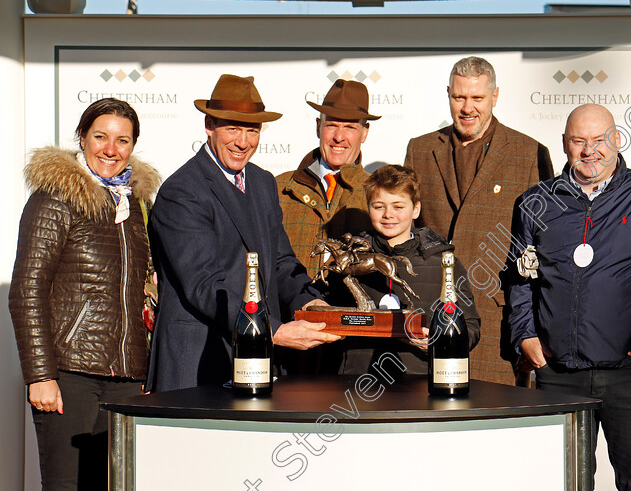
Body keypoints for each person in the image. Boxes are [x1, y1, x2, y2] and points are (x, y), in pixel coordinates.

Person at [507, 103, 631, 491]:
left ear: (618, 140)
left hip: (629, 372)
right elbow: (520, 277)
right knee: (565, 480)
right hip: (558, 373)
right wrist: (524, 334)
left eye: (600, 139)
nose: (591, 151)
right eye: (579, 141)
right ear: (564, 146)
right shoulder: (535, 203)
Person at [146, 74, 339, 393]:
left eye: (252, 130)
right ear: (209, 125)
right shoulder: (181, 191)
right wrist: (274, 331)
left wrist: (311, 303)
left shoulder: (263, 183)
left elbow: (281, 263)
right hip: (196, 366)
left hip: (254, 361)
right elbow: (205, 286)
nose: (243, 141)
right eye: (232, 128)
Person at [9, 98, 161, 490]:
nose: (111, 149)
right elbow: (27, 291)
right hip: (70, 373)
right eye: (100, 137)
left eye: (123, 140)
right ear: (82, 137)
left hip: (128, 377)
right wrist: (40, 375)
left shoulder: (137, 204)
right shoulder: (55, 199)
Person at [404, 56, 553, 385]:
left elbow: (543, 250)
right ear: (448, 95)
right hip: (426, 324)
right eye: (459, 97)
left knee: (491, 429)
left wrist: (532, 332)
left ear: (495, 97)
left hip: (496, 326)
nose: (467, 107)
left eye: (477, 98)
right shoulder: (420, 149)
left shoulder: (529, 154)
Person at [338, 164, 481, 376]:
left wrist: (437, 341)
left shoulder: (444, 262)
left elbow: (469, 325)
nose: (388, 214)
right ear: (368, 208)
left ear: (416, 209)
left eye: (398, 206)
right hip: (358, 380)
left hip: (421, 378)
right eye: (379, 206)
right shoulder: (352, 261)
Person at [276, 79, 378, 279]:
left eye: (349, 127)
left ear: (364, 132)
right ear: (318, 127)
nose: (339, 137)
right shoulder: (278, 188)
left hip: (354, 309)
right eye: (331, 125)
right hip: (290, 309)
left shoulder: (378, 195)